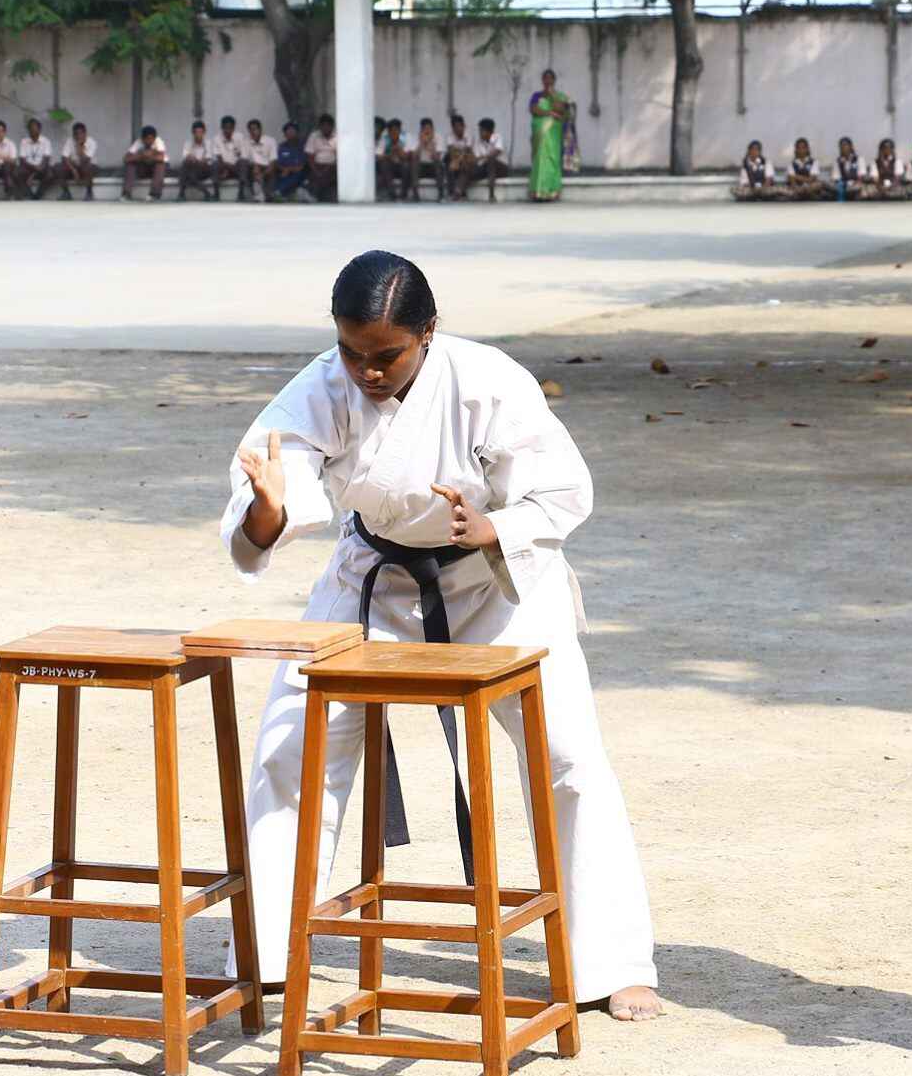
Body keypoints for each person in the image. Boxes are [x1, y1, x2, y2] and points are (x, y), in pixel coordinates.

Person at [218, 249, 664, 1023]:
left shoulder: (490, 381)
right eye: (353, 352)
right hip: (373, 577)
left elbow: (566, 490)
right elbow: (266, 511)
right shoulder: (320, 386)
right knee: (290, 745)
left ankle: (612, 961)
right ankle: (262, 957)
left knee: (567, 753)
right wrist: (265, 510)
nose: (367, 371)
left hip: (492, 581)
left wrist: (495, 522)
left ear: (428, 331)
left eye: (386, 355)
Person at [528, 69, 574, 202]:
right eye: (545, 78)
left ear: (554, 80)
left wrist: (552, 95)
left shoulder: (560, 96)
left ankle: (550, 191)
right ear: (542, 80)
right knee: (540, 157)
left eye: (550, 78)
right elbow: (533, 109)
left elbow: (561, 110)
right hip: (539, 131)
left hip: (553, 132)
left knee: (551, 159)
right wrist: (549, 113)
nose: (548, 81)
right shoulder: (536, 95)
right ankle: (538, 191)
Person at [123, 124, 168, 201]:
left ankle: (154, 194)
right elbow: (126, 159)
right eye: (147, 139)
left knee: (160, 165)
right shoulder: (138, 142)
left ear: (154, 138)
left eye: (151, 139)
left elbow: (161, 157)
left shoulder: (158, 142)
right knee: (130, 165)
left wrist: (150, 156)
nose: (149, 141)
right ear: (142, 139)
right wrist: (140, 156)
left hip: (156, 171)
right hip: (142, 169)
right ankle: (126, 193)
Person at [17, 117, 56, 200]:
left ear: (39, 129)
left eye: (34, 128)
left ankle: (38, 195)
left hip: (42, 167)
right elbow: (22, 160)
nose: (32, 130)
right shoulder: (24, 141)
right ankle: (29, 194)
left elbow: (46, 161)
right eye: (30, 128)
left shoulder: (46, 141)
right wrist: (34, 169)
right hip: (28, 167)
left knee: (50, 175)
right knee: (16, 173)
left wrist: (32, 176)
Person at [469, 117, 506, 201]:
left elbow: (496, 152)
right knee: (468, 166)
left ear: (489, 131)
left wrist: (482, 157)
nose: (479, 133)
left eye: (481, 130)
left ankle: (491, 195)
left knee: (491, 161)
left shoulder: (498, 137)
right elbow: (476, 159)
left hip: (501, 168)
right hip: (486, 168)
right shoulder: (478, 141)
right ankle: (458, 192)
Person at [212, 114, 247, 201]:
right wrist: (225, 169)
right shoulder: (216, 139)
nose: (228, 130)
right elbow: (218, 157)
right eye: (225, 128)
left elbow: (243, 155)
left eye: (230, 128)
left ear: (234, 128)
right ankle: (216, 193)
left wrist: (229, 168)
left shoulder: (240, 137)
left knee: (243, 162)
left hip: (236, 168)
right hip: (223, 168)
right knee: (215, 164)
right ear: (222, 128)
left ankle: (241, 193)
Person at [305, 114, 339, 202]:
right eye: (323, 126)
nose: (325, 128)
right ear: (319, 127)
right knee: (316, 174)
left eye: (328, 126)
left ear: (332, 126)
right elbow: (309, 155)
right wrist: (315, 169)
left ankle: (314, 195)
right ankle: (314, 195)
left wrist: (328, 167)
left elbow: (339, 156)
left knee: (326, 175)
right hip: (317, 164)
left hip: (332, 165)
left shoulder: (338, 136)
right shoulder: (314, 136)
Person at [408, 117, 444, 201]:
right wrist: (421, 144)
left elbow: (437, 158)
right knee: (414, 164)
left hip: (433, 166)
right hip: (421, 167)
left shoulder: (438, 137)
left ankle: (441, 194)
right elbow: (413, 157)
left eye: (429, 129)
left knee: (438, 165)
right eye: (425, 129)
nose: (427, 131)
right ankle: (415, 194)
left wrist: (430, 144)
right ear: (421, 130)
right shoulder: (416, 138)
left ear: (433, 129)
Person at [59, 122, 97, 201]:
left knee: (88, 167)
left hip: (89, 166)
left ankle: (89, 193)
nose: (78, 136)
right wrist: (73, 170)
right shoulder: (70, 141)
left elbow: (86, 160)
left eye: (80, 133)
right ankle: (66, 193)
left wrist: (79, 148)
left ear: (85, 133)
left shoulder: (92, 142)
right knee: (58, 167)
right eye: (75, 134)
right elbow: (64, 157)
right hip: (74, 166)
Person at [441, 113, 476, 202]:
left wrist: (458, 161)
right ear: (452, 128)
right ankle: (451, 192)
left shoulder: (469, 135)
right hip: (454, 157)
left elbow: (468, 150)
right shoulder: (449, 136)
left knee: (466, 163)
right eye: (455, 127)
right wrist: (454, 161)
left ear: (464, 126)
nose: (458, 129)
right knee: (448, 162)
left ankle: (459, 192)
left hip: (465, 157)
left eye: (460, 126)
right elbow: (451, 151)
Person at [273, 121, 309, 202]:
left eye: (292, 131)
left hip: (299, 172)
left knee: (299, 174)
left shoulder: (303, 146)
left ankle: (279, 191)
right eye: (288, 131)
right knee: (279, 174)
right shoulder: (281, 147)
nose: (290, 133)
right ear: (285, 134)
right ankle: (282, 193)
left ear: (297, 132)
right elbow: (277, 162)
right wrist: (283, 169)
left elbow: (302, 165)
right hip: (284, 172)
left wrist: (289, 169)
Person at [243, 118, 278, 202]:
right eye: (250, 130)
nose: (252, 132)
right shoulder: (246, 142)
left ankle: (262, 194)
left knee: (269, 196)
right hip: (253, 168)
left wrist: (262, 174)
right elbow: (245, 160)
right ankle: (258, 194)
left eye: (255, 129)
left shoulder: (270, 140)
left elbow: (273, 162)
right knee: (253, 168)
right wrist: (255, 166)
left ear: (260, 129)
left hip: (268, 168)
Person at [379, 117, 410, 201]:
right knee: (384, 165)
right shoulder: (384, 139)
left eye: (396, 130)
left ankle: (403, 195)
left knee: (406, 166)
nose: (394, 133)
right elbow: (379, 156)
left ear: (400, 130)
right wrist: (390, 153)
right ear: (388, 132)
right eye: (391, 131)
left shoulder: (406, 137)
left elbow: (407, 156)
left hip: (402, 164)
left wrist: (399, 149)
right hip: (390, 165)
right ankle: (392, 194)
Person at [832, 135, 863, 201]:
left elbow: (861, 175)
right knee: (836, 187)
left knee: (860, 188)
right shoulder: (838, 161)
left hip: (855, 184)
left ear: (851, 146)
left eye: (845, 145)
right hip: (842, 185)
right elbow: (836, 178)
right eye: (841, 146)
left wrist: (855, 182)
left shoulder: (859, 159)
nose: (843, 148)